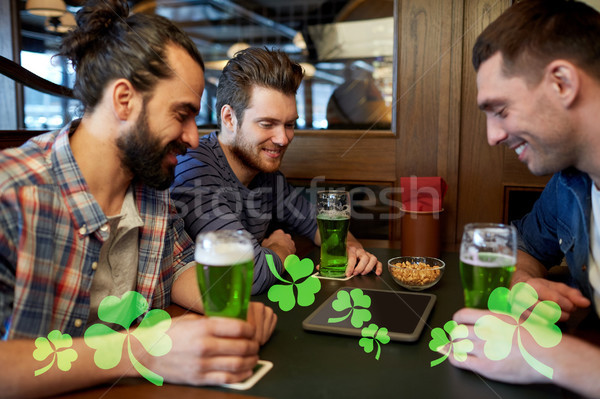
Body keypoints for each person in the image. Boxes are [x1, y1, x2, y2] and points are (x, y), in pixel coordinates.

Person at [0, 1, 276, 397]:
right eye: (182, 114)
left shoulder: (151, 188)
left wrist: (224, 309)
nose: (194, 138)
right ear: (124, 99)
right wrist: (142, 352)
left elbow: (178, 265)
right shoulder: (12, 193)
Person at [450, 1, 600, 397]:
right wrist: (522, 282)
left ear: (562, 83)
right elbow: (525, 247)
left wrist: (547, 357)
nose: (492, 136)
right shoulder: (571, 183)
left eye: (500, 109)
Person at [171, 47, 382, 294]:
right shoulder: (193, 169)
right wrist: (281, 248)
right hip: (190, 321)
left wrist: (352, 249)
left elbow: (316, 224)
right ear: (229, 118)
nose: (283, 138)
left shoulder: (265, 174)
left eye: (289, 124)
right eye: (267, 124)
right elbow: (247, 275)